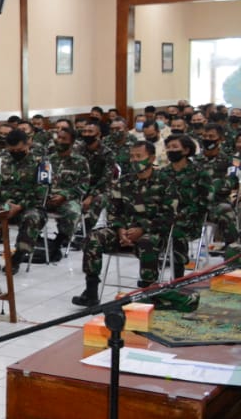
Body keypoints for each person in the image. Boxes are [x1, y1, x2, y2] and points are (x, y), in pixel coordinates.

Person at [72, 141, 173, 306]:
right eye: (132, 156)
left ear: (151, 158)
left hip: (152, 232)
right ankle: (91, 291)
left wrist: (142, 229)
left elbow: (169, 215)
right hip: (123, 232)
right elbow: (114, 212)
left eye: (139, 156)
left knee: (148, 242)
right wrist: (120, 230)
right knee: (94, 237)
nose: (134, 160)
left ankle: (148, 291)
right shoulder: (124, 181)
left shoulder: (165, 182)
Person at [0, 129, 47, 273]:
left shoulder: (42, 163)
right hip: (5, 206)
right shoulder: (1, 161)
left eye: (19, 150)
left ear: (27, 144)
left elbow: (42, 191)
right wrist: (3, 205)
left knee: (31, 218)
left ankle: (17, 257)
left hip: (31, 206)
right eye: (12, 150)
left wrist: (19, 206)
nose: (15, 153)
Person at [163, 133, 209, 277]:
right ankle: (150, 277)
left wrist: (183, 214)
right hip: (166, 218)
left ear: (186, 150)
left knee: (176, 232)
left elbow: (205, 200)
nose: (171, 150)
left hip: (190, 219)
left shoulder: (199, 172)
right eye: (168, 147)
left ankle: (178, 277)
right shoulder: (163, 173)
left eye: (175, 147)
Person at [42, 127, 90, 262]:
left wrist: (64, 195)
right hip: (47, 198)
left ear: (72, 142)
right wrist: (46, 196)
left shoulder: (80, 161)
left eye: (64, 139)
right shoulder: (47, 160)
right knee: (29, 210)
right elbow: (41, 181)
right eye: (58, 137)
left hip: (68, 199)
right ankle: (35, 242)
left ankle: (58, 242)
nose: (60, 141)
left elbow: (84, 185)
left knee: (73, 212)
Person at [197, 124, 239, 249]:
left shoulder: (230, 161)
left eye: (211, 136)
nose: (207, 139)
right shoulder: (194, 160)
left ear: (220, 139)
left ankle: (232, 248)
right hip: (194, 203)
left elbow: (231, 182)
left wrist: (210, 186)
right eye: (205, 136)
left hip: (216, 204)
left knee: (225, 210)